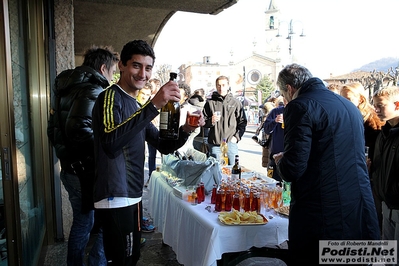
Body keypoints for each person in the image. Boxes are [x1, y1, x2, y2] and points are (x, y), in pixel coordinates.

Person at [91, 40, 203, 265]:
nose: (143, 73)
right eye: (136, 66)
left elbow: (163, 145)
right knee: (123, 259)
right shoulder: (110, 96)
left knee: (131, 257)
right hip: (115, 195)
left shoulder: (134, 105)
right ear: (121, 65)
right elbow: (110, 142)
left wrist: (186, 130)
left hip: (131, 194)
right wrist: (154, 105)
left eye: (148, 68)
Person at [273, 63, 380, 265]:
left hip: (323, 211)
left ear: (289, 89)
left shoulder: (300, 106)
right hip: (358, 204)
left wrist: (280, 160)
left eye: (283, 94)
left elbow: (293, 168)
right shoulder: (349, 106)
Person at [47, 46, 119, 266]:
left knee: (84, 220)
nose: (112, 77)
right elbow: (79, 129)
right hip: (84, 171)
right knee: (98, 221)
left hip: (69, 168)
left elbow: (53, 130)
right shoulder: (93, 89)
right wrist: (103, 155)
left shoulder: (67, 88)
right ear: (103, 68)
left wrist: (67, 156)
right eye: (113, 72)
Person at [371, 86, 399, 255]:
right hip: (386, 205)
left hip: (396, 204)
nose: (376, 109)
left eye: (381, 105)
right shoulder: (384, 132)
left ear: (397, 104)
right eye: (375, 105)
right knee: (389, 256)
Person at [203, 76, 247, 165]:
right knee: (216, 171)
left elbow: (242, 122)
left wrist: (237, 137)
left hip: (231, 142)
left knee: (233, 170)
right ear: (216, 86)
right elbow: (203, 121)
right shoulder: (210, 103)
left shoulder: (235, 103)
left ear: (228, 86)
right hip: (215, 143)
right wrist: (211, 121)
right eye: (218, 85)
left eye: (223, 85)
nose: (221, 88)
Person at [262, 100, 285, 182]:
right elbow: (266, 129)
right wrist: (274, 121)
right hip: (275, 158)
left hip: (290, 157)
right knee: (272, 185)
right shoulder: (276, 111)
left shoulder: (298, 112)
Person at [144, 78, 161, 188]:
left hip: (160, 130)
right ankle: (151, 177)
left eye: (153, 85)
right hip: (151, 129)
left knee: (165, 156)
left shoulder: (162, 99)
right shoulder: (147, 99)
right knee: (151, 155)